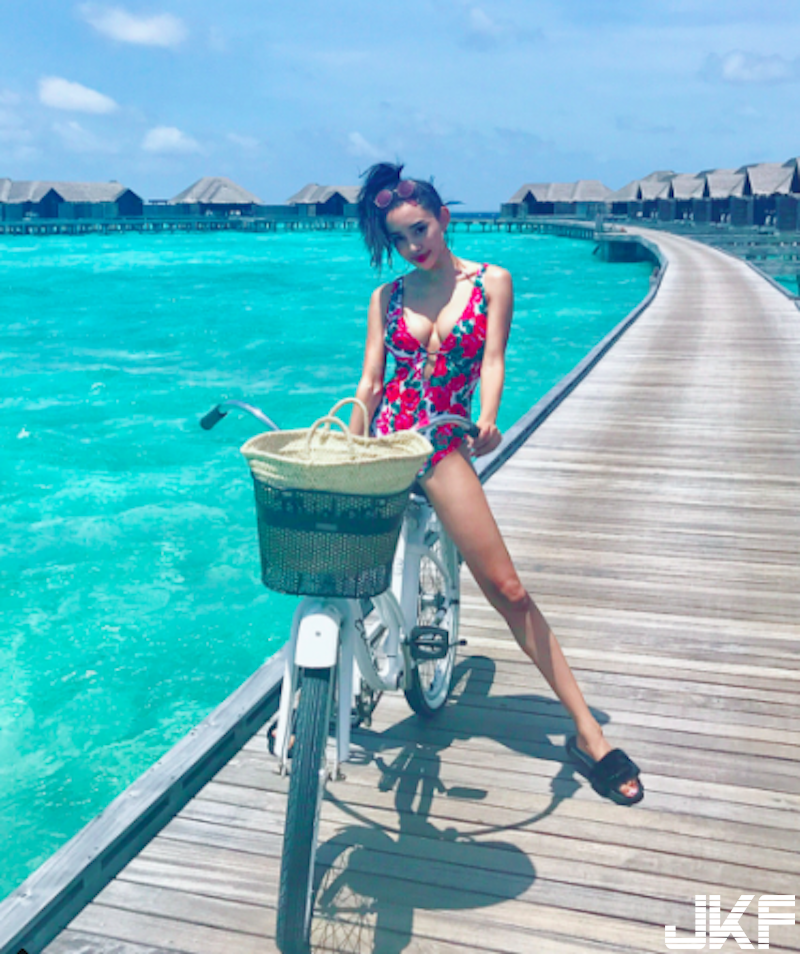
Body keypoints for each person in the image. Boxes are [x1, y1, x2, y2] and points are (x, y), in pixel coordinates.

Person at [350, 162, 643, 806]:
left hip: (441, 443)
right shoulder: (386, 298)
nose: (412, 246)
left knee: (508, 590)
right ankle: (322, 699)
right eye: (398, 238)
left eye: (420, 229)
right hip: (386, 443)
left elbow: (492, 359)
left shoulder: (492, 282)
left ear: (442, 219)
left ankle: (588, 733)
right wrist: (351, 442)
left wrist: (488, 417)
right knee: (339, 570)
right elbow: (370, 384)